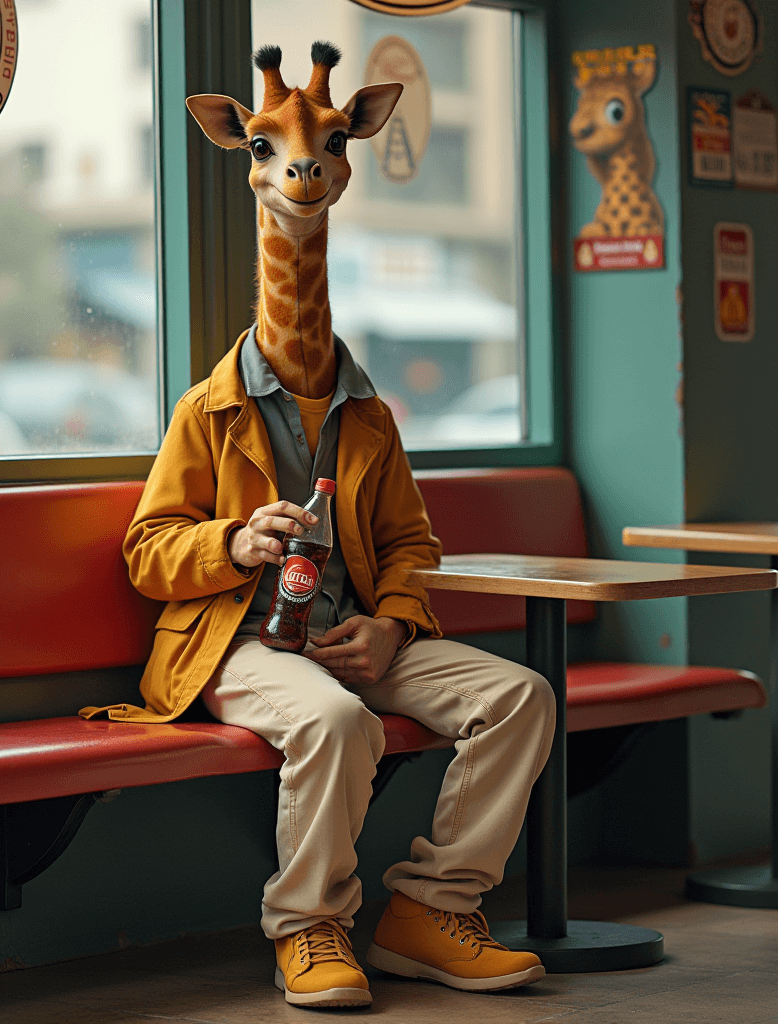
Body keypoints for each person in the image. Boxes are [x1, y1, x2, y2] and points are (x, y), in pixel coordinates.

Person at [82, 42, 556, 1010]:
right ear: (245, 154)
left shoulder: (370, 415)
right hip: (236, 641)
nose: (301, 169)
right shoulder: (204, 412)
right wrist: (232, 544)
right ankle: (309, 926)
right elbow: (145, 554)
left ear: (347, 155)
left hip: (353, 637)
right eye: (270, 151)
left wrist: (393, 620)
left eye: (327, 147)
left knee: (522, 696)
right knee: (339, 725)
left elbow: (413, 545)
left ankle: (430, 909)